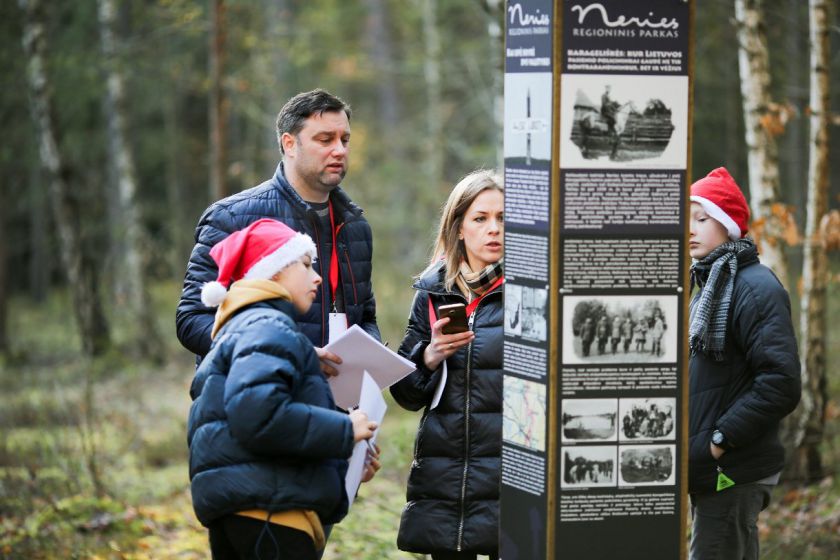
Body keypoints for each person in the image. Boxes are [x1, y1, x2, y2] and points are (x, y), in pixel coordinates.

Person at [187, 219, 380, 560]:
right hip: (273, 518)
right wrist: (344, 429)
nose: (317, 277)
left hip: (245, 513)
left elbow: (264, 433)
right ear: (273, 272)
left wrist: (345, 457)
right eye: (306, 265)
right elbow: (260, 417)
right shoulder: (269, 327)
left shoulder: (240, 331)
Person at [176, 88, 379, 373]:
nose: (340, 150)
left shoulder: (356, 226)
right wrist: (290, 354)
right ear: (289, 144)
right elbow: (192, 320)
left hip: (336, 408)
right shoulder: (231, 218)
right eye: (325, 139)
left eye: (344, 139)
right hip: (255, 402)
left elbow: (365, 317)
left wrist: (369, 358)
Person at [687, 168, 801, 560]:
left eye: (702, 219)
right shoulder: (710, 285)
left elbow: (780, 383)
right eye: (686, 219)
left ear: (728, 224)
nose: (691, 229)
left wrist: (719, 441)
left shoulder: (755, 287)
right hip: (712, 467)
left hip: (732, 468)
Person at [390, 170, 503, 560]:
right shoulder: (431, 292)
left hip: (510, 474)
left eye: (503, 219)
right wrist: (429, 355)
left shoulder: (534, 291)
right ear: (458, 228)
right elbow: (405, 394)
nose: (493, 229)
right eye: (480, 218)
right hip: (447, 477)